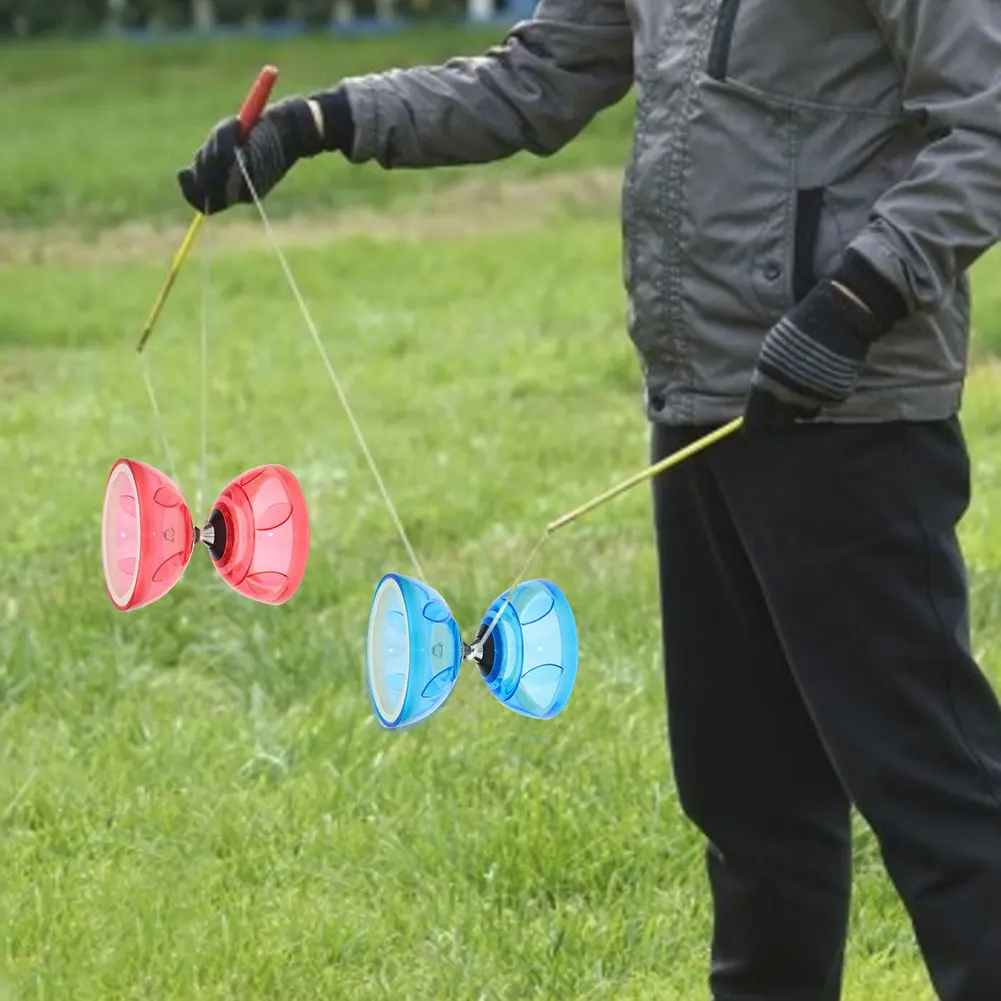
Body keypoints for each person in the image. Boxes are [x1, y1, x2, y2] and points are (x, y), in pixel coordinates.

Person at [179, 4, 1001, 998]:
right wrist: (316, 124)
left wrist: (855, 301)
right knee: (746, 800)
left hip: (850, 409)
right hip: (700, 400)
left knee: (934, 795)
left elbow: (985, 123)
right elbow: (534, 79)